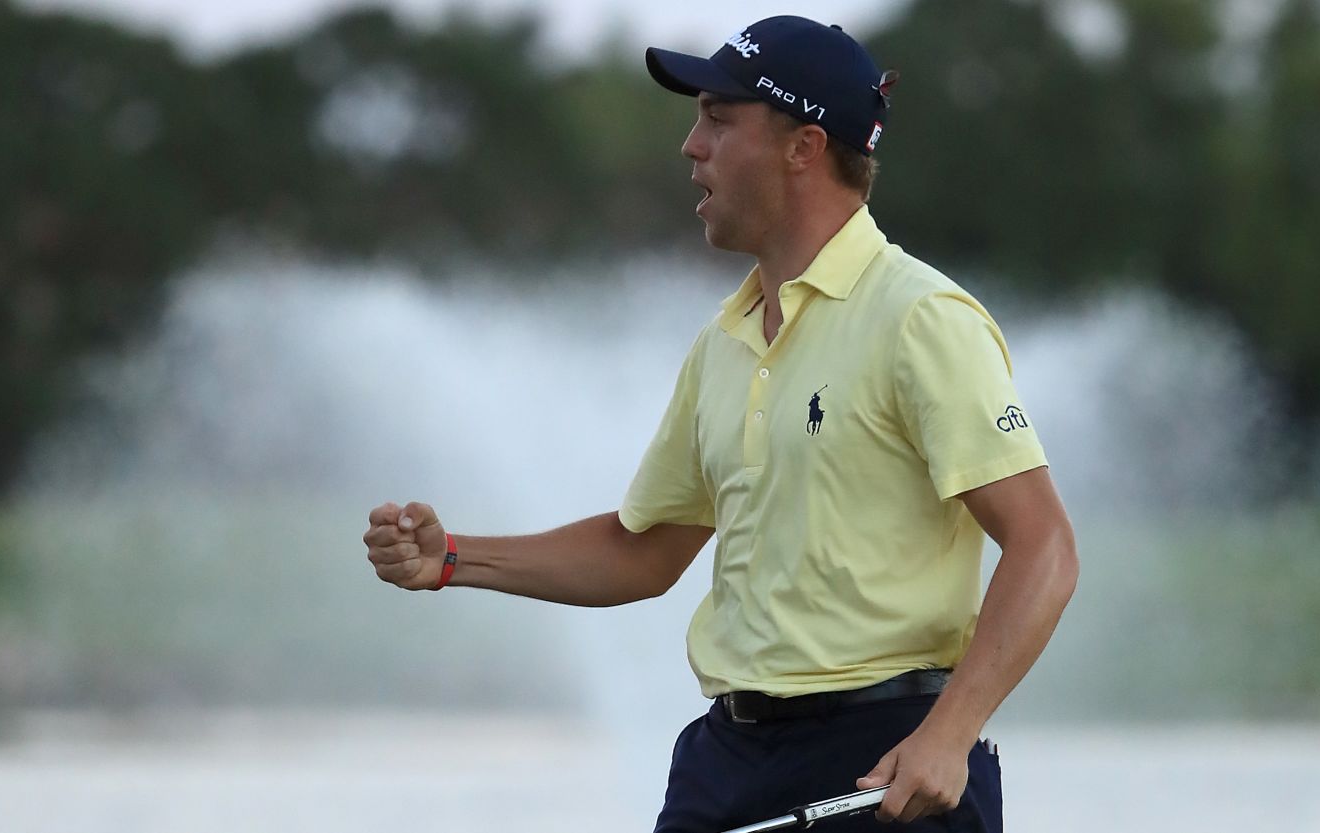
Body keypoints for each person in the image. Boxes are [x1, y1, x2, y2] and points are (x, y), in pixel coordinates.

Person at [362, 15, 1078, 832]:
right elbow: (646, 548)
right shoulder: (724, 340)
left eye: (717, 118)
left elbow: (1045, 544)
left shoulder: (919, 318)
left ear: (803, 147)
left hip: (888, 763)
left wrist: (949, 734)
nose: (690, 146)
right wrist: (452, 558)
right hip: (725, 762)